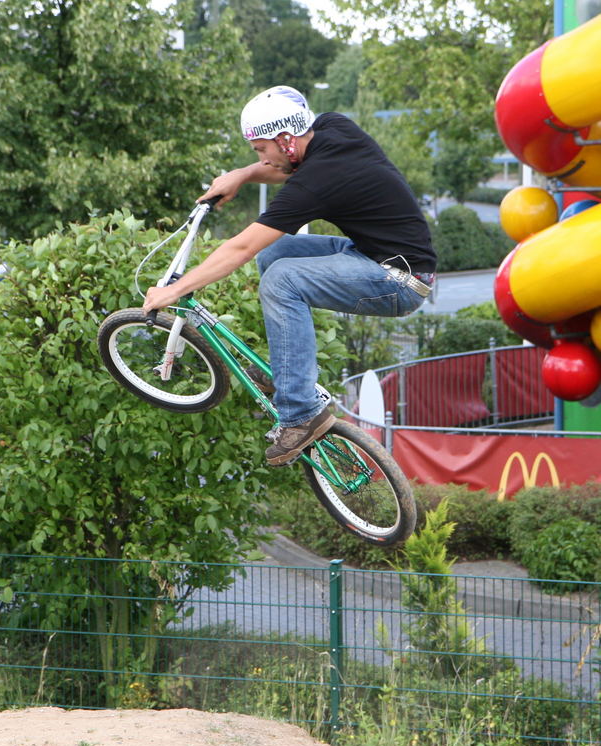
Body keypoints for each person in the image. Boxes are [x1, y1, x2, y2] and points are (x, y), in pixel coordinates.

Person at [143, 85, 436, 466]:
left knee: (282, 279)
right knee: (278, 253)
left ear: (285, 139)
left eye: (260, 149)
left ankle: (300, 415)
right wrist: (243, 175)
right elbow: (286, 167)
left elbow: (241, 248)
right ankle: (289, 372)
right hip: (372, 254)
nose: (261, 157)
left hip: (398, 282)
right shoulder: (331, 128)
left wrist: (175, 289)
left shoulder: (317, 181)